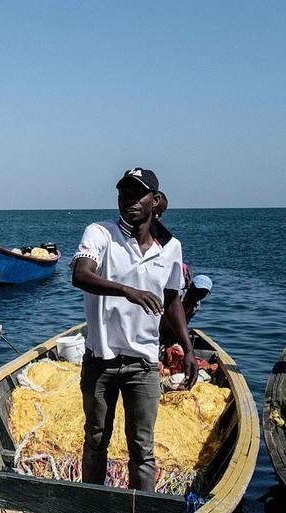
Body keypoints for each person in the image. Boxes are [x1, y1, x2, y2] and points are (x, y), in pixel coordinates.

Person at [71, 167, 198, 491]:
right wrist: (128, 291)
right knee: (96, 440)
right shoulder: (99, 233)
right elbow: (81, 275)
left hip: (143, 364)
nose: (129, 200)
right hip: (101, 360)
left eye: (137, 194)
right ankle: (92, 505)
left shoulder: (170, 248)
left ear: (155, 200)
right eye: (123, 193)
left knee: (142, 449)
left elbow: (172, 302)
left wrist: (188, 348)